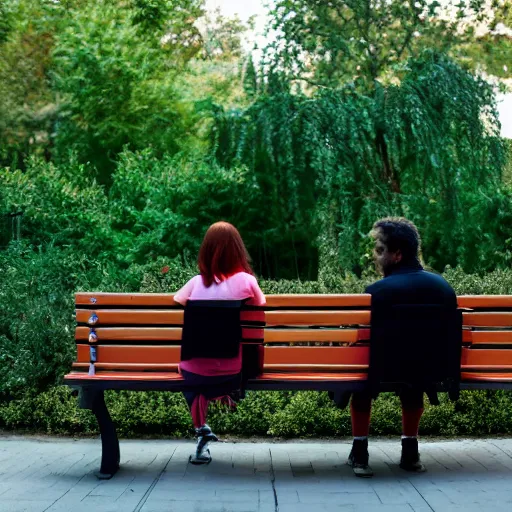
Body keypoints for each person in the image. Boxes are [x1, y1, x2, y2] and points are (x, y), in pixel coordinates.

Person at [348, 217, 457, 477]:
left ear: (397, 255)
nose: (376, 257)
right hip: (430, 372)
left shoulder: (376, 292)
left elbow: (359, 341)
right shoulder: (442, 288)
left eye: (380, 250)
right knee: (413, 377)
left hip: (379, 372)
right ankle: (410, 452)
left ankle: (360, 452)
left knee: (363, 378)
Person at [174, 221, 266, 464]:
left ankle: (201, 427)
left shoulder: (195, 283)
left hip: (194, 374)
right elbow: (261, 305)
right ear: (238, 250)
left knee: (187, 373)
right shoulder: (247, 281)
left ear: (205, 251)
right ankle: (230, 393)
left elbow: (177, 301)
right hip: (231, 373)